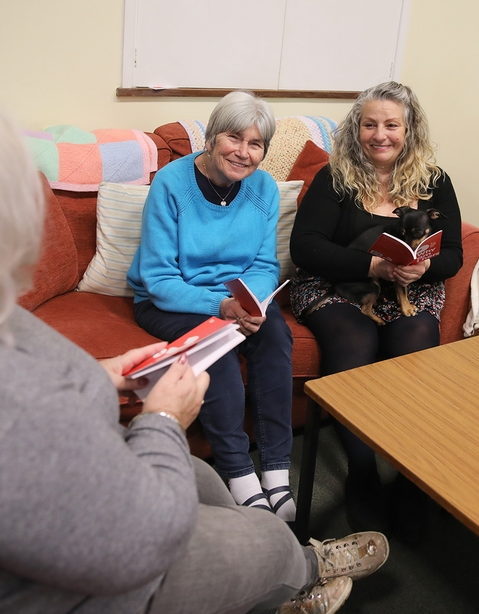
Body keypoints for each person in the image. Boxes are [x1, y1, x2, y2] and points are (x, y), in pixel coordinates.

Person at [0, 69, 389, 614]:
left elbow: (27, 374)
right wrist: (160, 423)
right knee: (268, 538)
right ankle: (299, 572)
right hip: (99, 577)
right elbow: (137, 541)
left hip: (74, 502)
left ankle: (265, 492)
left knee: (201, 476)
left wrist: (103, 374)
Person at [289, 81, 463, 538]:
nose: (379, 134)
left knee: (415, 341)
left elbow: (454, 256)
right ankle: (362, 472)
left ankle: (410, 475)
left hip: (410, 288)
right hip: (335, 285)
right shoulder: (335, 177)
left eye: (391, 125)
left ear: (410, 130)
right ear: (356, 128)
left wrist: (419, 269)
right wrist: (373, 265)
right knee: (356, 339)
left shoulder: (434, 182)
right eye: (370, 124)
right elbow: (305, 247)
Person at [127, 91, 297, 521]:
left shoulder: (263, 189)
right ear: (211, 136)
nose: (243, 152)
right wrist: (220, 307)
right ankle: (239, 475)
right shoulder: (171, 183)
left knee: (276, 334)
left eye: (255, 144)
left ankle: (277, 471)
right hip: (170, 299)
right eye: (233, 138)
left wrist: (252, 302)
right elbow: (159, 280)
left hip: (237, 299)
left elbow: (262, 263)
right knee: (217, 352)